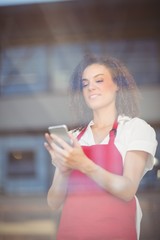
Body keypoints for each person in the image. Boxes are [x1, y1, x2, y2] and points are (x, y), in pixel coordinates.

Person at [44, 54, 157, 240]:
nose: (91, 88)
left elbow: (128, 190)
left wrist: (83, 164)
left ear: (117, 84)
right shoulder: (73, 137)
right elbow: (53, 202)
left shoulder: (135, 129)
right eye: (85, 84)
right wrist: (64, 171)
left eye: (99, 80)